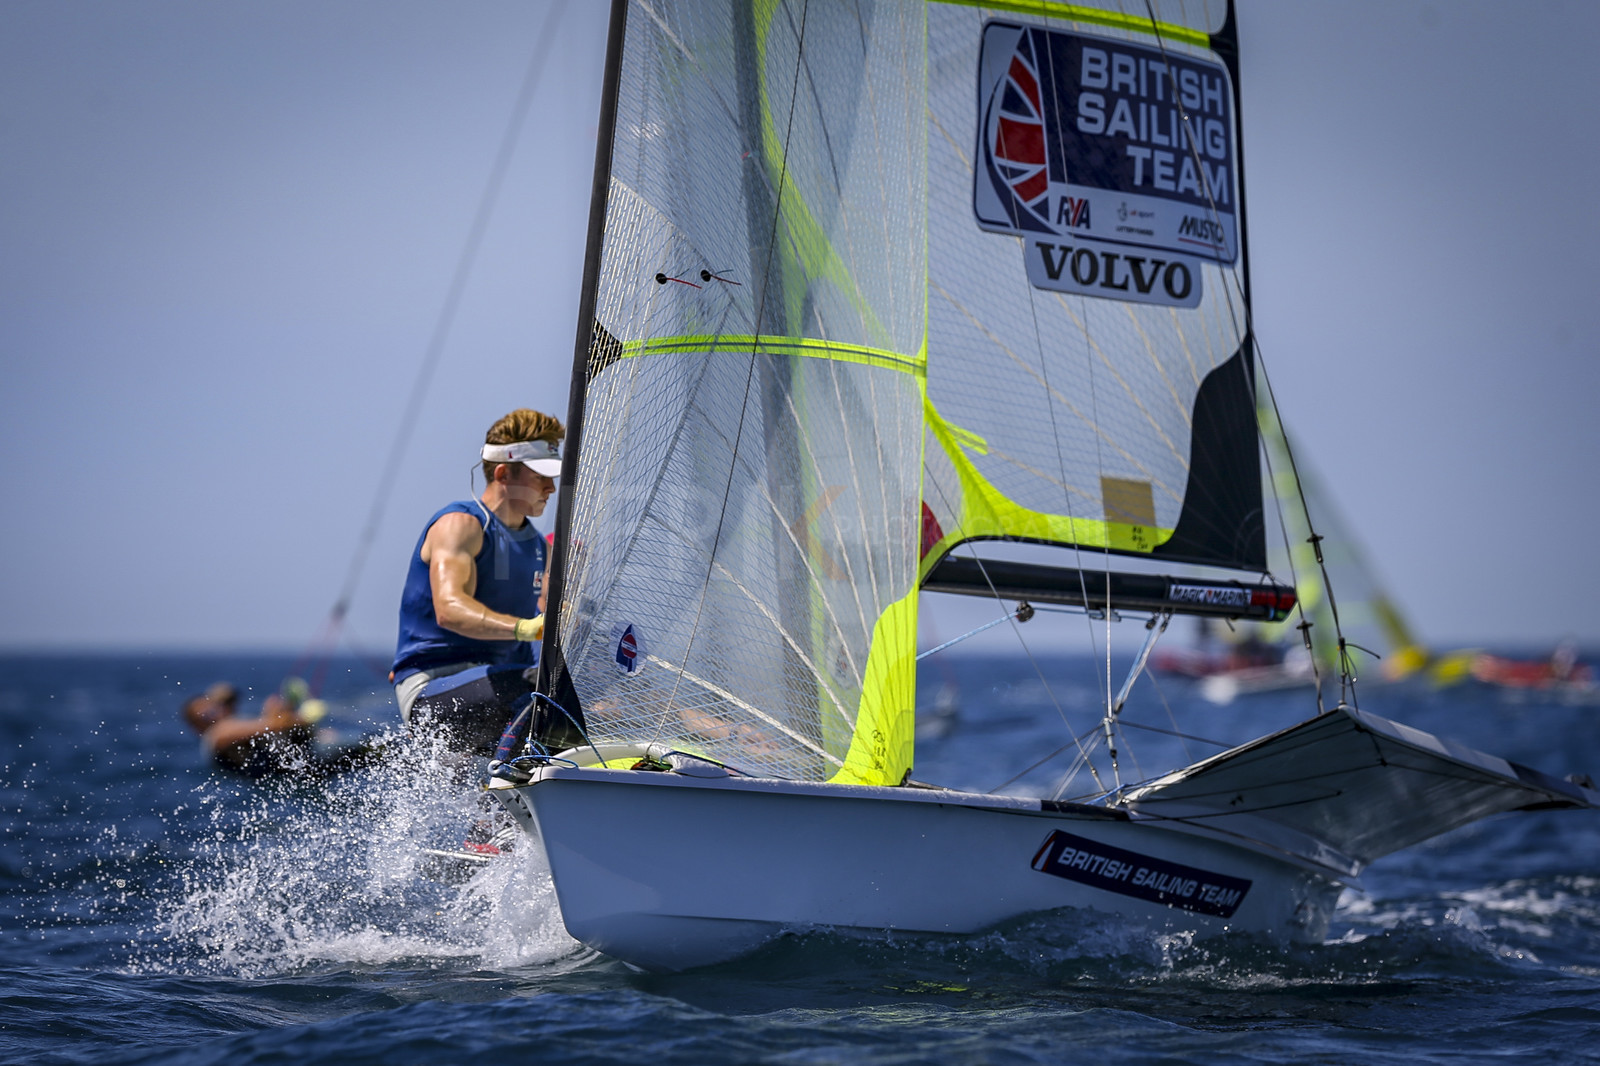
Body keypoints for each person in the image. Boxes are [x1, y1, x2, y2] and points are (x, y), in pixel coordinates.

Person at [390, 407, 583, 756]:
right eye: (540, 476)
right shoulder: (460, 526)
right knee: (542, 692)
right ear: (503, 474)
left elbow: (550, 624)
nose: (551, 487)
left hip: (504, 686)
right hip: (432, 690)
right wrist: (525, 628)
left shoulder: (539, 548)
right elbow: (450, 610)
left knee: (581, 697)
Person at [181, 678, 330, 776]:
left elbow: (271, 727)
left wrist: (277, 713)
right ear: (195, 726)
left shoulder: (232, 727)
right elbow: (274, 725)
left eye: (220, 705)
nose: (218, 711)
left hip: (303, 765)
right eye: (207, 714)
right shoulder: (218, 734)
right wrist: (305, 716)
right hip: (300, 771)